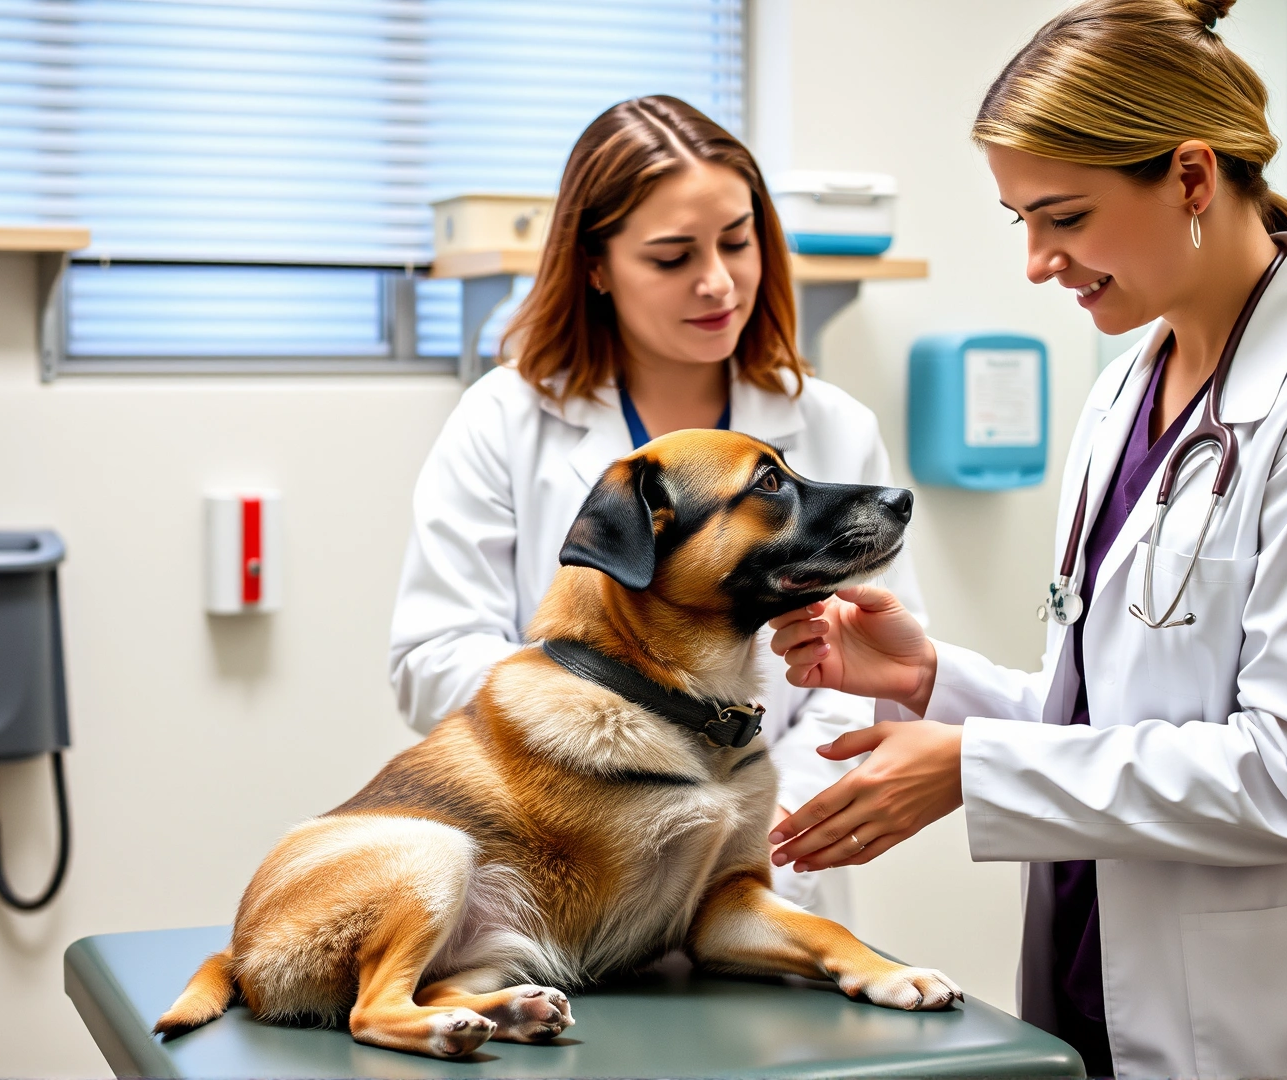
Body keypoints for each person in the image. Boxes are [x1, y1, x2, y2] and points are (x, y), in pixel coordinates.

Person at [763, 2, 1287, 1076]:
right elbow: (1119, 721)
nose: (1040, 261)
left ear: (1193, 178)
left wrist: (975, 767)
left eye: (1065, 216)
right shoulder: (1123, 397)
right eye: (1022, 223)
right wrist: (937, 682)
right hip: (1101, 987)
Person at [388, 96, 924, 923]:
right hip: (569, 866)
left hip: (767, 869)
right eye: (672, 257)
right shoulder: (504, 419)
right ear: (595, 265)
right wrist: (620, 748)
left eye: (738, 242)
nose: (718, 281)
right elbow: (433, 658)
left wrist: (764, 827)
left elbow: (868, 669)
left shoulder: (831, 427)